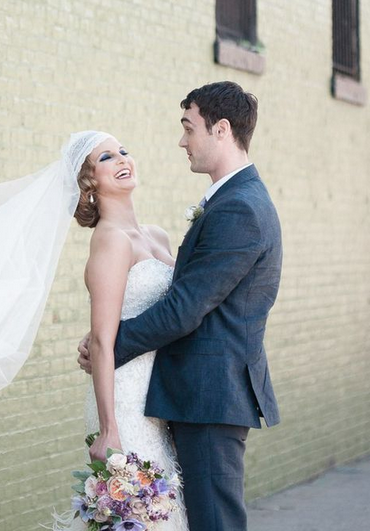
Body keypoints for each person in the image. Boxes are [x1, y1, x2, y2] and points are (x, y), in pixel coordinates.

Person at [78, 81, 282, 531]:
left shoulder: (238, 209)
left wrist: (106, 343)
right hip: (170, 395)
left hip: (209, 394)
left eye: (189, 129)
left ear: (221, 130)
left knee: (213, 522)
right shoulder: (232, 201)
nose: (182, 141)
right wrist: (104, 340)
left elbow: (185, 308)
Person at [51, 131, 189, 531]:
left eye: (123, 150)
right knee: (145, 513)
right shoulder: (109, 241)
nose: (122, 158)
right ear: (89, 183)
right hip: (125, 398)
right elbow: (101, 340)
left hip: (160, 391)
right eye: (107, 157)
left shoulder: (157, 235)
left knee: (168, 504)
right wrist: (110, 428)